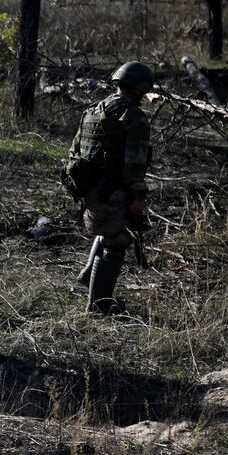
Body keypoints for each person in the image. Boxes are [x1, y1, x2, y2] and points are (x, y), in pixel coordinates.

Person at [63, 61, 153, 315]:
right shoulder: (133, 117)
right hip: (114, 189)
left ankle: (88, 275)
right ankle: (98, 304)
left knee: (109, 233)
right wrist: (138, 195)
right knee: (117, 241)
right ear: (140, 89)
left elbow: (76, 150)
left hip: (91, 188)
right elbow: (134, 163)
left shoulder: (92, 110)